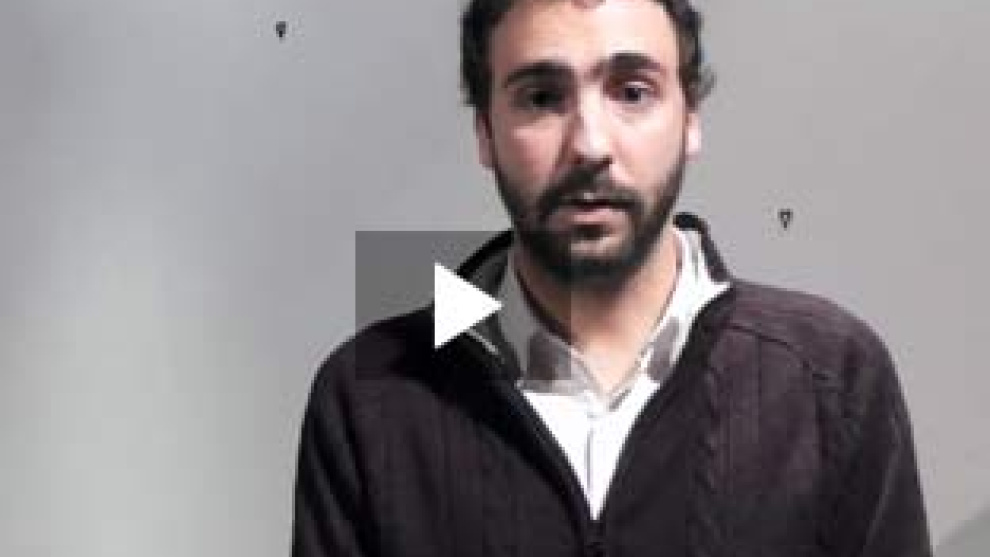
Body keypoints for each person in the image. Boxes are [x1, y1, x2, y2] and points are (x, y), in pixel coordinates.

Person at [291, 1, 933, 555]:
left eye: (631, 92)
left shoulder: (831, 378)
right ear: (485, 132)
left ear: (689, 118)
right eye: (542, 98)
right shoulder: (367, 397)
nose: (590, 145)